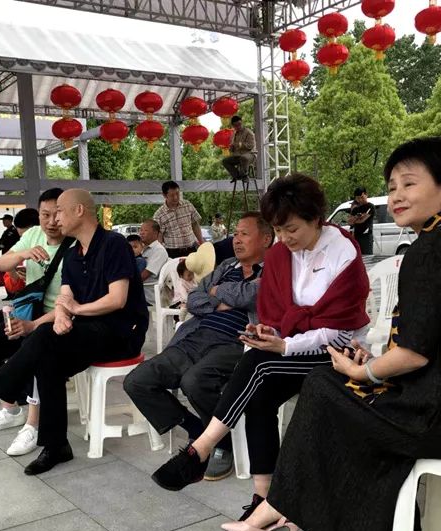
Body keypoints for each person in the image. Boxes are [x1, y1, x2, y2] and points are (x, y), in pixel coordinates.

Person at [219, 137, 441, 531]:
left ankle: (289, 509)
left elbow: (412, 355)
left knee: (325, 387)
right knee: (337, 391)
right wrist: (368, 364)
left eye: (409, 184)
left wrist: (366, 371)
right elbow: (432, 342)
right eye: (392, 187)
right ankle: (343, 527)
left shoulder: (432, 250)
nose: (396, 196)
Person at [151, 174, 371, 505]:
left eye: (291, 229)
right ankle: (263, 498)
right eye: (279, 230)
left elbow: (339, 330)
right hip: (298, 346)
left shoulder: (343, 251)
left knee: (258, 365)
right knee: (258, 393)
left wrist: (285, 345)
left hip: (338, 351)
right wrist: (271, 333)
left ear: (316, 218)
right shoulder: (282, 254)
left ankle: (201, 450)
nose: (284, 238)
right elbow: (278, 314)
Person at [0, 189, 149, 475]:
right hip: (88, 330)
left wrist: (75, 310)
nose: (55, 218)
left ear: (79, 211)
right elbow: (64, 296)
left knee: (44, 338)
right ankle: (56, 445)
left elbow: (117, 299)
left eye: (59, 211)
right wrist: (60, 314)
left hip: (121, 333)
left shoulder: (113, 244)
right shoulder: (73, 255)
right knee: (48, 357)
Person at [124, 213, 273, 480]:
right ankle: (200, 433)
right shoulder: (226, 266)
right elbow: (194, 299)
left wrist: (216, 292)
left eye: (244, 234)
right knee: (138, 380)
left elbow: (252, 294)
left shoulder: (274, 269)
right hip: (196, 336)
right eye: (236, 234)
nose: (236, 240)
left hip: (237, 342)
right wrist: (219, 299)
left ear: (266, 239)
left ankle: (222, 444)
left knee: (194, 381)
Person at [0, 188, 73, 457]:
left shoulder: (76, 244)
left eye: (57, 214)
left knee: (36, 349)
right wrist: (24, 254)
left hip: (58, 316)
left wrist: (35, 325)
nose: (51, 222)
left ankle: (33, 424)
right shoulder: (33, 234)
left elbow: (74, 303)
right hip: (28, 309)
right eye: (45, 215)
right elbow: (1, 264)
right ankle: (11, 408)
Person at [153, 181, 204, 258]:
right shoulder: (159, 215)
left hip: (191, 249)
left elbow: (195, 224)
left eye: (177, 194)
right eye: (172, 195)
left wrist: (201, 242)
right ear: (164, 195)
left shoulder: (187, 205)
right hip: (173, 252)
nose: (175, 197)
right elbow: (159, 237)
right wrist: (161, 254)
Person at [2, 208, 41, 299]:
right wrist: (13, 272)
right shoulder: (20, 250)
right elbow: (13, 286)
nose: (27, 240)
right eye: (22, 237)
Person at [138, 219, 169, 305]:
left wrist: (127, 283)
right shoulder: (141, 249)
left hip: (148, 294)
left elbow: (144, 276)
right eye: (141, 230)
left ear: (155, 233)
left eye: (145, 230)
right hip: (140, 289)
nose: (141, 233)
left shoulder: (159, 251)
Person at [221, 115, 256, 182]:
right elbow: (232, 149)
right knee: (225, 161)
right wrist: (231, 148)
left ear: (242, 123)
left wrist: (239, 145)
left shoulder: (248, 132)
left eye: (239, 124)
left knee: (244, 158)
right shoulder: (233, 134)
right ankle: (237, 176)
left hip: (250, 154)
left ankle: (245, 176)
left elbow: (251, 145)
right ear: (233, 126)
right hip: (238, 155)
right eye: (236, 125)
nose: (238, 126)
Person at [347, 187, 374, 256]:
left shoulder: (370, 206)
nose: (360, 200)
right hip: (356, 236)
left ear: (366, 195)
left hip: (366, 237)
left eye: (362, 197)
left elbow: (362, 220)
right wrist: (357, 217)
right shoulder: (355, 209)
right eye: (358, 198)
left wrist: (354, 219)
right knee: (357, 256)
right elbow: (349, 222)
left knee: (367, 257)